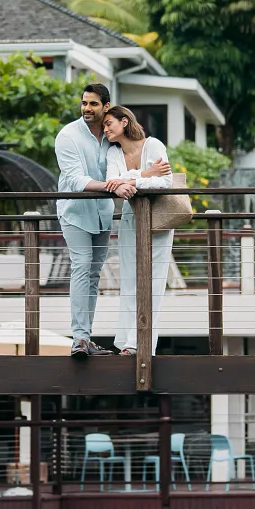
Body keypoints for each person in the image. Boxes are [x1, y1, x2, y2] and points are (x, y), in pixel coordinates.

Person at [54, 83, 126, 357]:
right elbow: (74, 180)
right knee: (82, 267)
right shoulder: (67, 136)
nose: (86, 108)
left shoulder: (112, 135)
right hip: (75, 213)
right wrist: (113, 187)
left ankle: (86, 337)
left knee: (94, 275)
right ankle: (80, 340)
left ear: (106, 106)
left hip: (103, 214)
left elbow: (130, 159)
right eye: (84, 103)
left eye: (93, 103)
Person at [102, 105, 173, 355]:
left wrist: (130, 179)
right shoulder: (113, 152)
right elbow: (112, 182)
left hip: (158, 220)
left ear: (124, 122)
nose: (106, 129)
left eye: (109, 123)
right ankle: (125, 341)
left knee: (153, 281)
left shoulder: (153, 146)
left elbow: (165, 181)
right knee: (130, 280)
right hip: (131, 219)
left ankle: (141, 344)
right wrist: (144, 174)